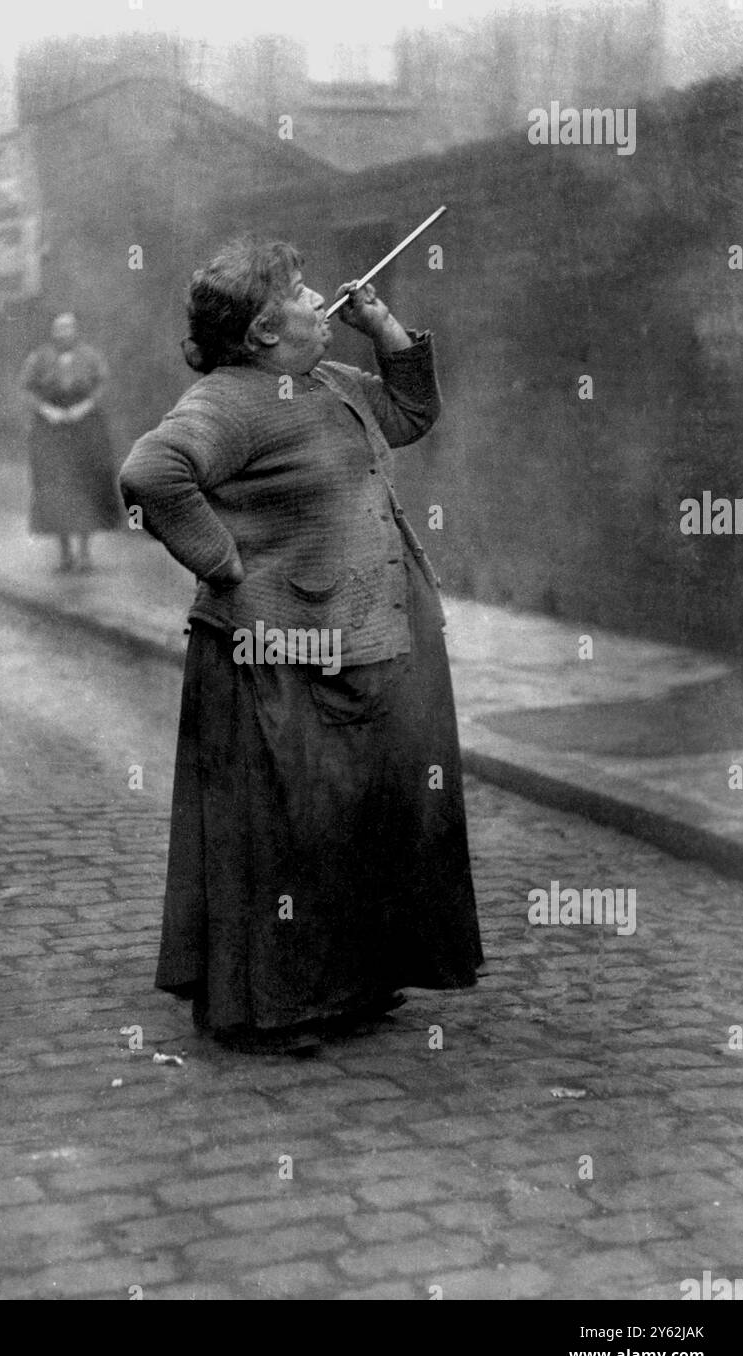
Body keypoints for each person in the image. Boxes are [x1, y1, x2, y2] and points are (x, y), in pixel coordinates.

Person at [119, 237, 484, 1053]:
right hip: (277, 649)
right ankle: (274, 1010)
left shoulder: (324, 378)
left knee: (357, 814)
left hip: (367, 631)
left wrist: (381, 326)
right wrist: (223, 563)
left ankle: (350, 987)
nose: (322, 298)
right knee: (286, 825)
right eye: (300, 291)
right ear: (258, 333)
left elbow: (413, 414)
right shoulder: (230, 402)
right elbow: (151, 474)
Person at [19, 313, 121, 572]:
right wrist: (45, 410)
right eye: (59, 328)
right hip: (51, 429)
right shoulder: (39, 358)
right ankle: (65, 554)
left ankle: (85, 553)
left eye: (68, 327)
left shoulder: (91, 357)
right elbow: (26, 388)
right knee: (55, 487)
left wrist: (84, 407)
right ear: (53, 331)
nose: (64, 333)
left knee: (88, 485)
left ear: (76, 330)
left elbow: (102, 385)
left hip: (85, 427)